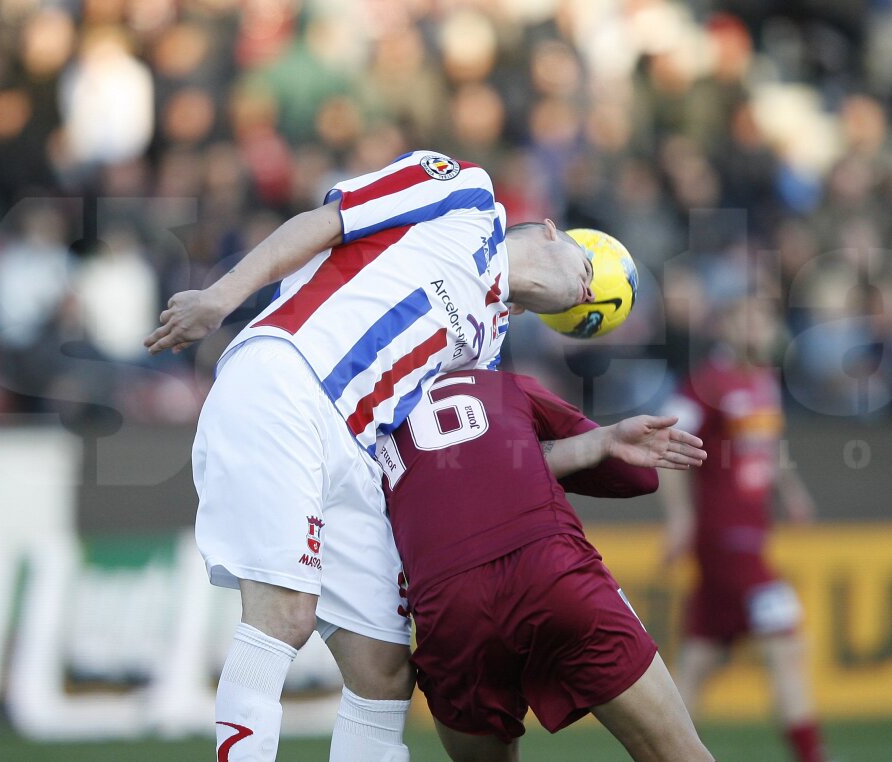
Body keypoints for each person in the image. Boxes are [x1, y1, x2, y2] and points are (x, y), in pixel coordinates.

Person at [145, 149, 601, 762]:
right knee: (284, 614)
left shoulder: (489, 343)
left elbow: (463, 455)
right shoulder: (466, 193)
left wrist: (599, 444)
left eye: (591, 305)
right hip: (288, 376)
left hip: (359, 454)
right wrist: (221, 297)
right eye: (590, 267)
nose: (589, 291)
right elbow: (324, 224)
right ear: (549, 230)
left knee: (384, 670)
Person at [376, 368, 714, 762]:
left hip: (449, 600)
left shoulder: (364, 420)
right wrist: (593, 442)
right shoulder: (502, 383)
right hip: (549, 567)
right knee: (678, 754)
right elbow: (636, 477)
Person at [658, 298, 827, 762]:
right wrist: (680, 517)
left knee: (698, 658)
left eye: (764, 318)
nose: (757, 326)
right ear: (727, 326)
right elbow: (666, 447)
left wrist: (791, 491)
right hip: (725, 537)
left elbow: (769, 446)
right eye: (746, 317)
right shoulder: (706, 384)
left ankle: (661, 753)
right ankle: (812, 756)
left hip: (752, 531)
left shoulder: (764, 380)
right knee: (788, 641)